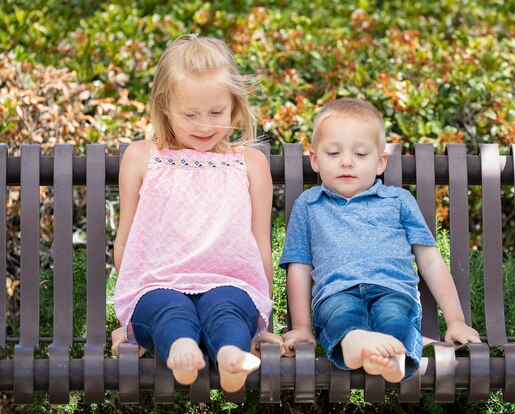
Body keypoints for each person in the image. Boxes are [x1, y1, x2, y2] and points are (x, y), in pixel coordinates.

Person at [111, 34, 283, 392]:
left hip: (230, 283)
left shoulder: (249, 163)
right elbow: (125, 241)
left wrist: (265, 324)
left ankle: (232, 355)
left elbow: (259, 247)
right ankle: (181, 349)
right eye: (189, 115)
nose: (204, 125)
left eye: (216, 112)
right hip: (158, 284)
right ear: (163, 106)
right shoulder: (143, 157)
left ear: (234, 105)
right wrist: (130, 316)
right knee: (168, 311)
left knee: (228, 309)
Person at [280, 98, 480, 382]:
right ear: (315, 160)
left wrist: (456, 321)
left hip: (393, 288)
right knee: (340, 314)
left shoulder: (398, 200)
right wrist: (302, 327)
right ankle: (354, 342)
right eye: (334, 152)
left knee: (396, 317)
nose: (346, 161)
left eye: (361, 154)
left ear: (380, 162)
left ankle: (391, 358)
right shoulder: (309, 205)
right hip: (337, 291)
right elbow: (298, 267)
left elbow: (430, 260)